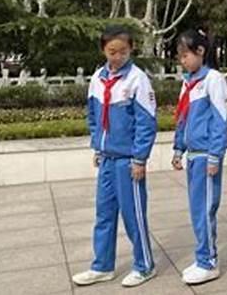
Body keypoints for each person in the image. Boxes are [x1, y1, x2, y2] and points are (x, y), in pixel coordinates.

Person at [72, 25, 158, 288]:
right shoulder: (98, 77)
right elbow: (94, 117)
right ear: (103, 50)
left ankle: (144, 265)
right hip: (107, 159)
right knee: (104, 214)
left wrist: (140, 159)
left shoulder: (137, 79)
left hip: (128, 160)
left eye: (122, 51)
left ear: (131, 49)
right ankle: (102, 266)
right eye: (112, 51)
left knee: (133, 215)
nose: (117, 56)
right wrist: (98, 146)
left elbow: (147, 123)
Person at [171, 29, 227, 285]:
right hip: (193, 155)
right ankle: (202, 256)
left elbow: (220, 120)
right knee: (197, 210)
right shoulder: (189, 81)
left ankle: (209, 262)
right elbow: (182, 116)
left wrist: (215, 156)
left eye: (185, 55)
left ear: (200, 52)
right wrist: (178, 148)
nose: (182, 60)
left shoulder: (213, 80)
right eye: (180, 56)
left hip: (207, 155)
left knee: (205, 209)